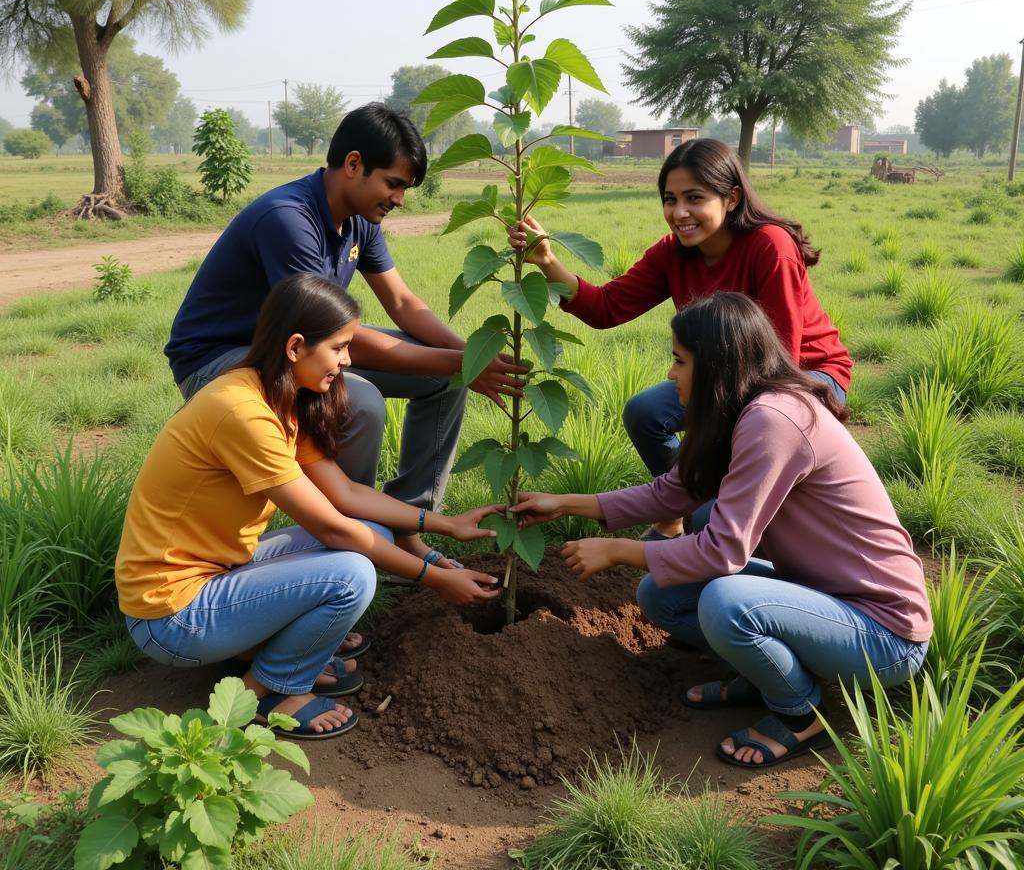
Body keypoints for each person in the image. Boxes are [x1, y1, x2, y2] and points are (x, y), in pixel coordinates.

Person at [510, 293, 931, 769]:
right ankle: (767, 676)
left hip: (882, 631)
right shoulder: (740, 411)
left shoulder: (774, 420)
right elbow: (671, 494)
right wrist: (563, 503)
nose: (671, 374)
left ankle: (801, 715)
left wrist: (617, 550)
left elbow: (723, 552)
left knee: (724, 601)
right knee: (659, 595)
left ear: (715, 365)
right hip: (822, 594)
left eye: (679, 360)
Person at [119, 274, 502, 741]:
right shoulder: (241, 412)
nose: (346, 361)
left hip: (215, 574)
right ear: (297, 346)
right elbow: (331, 528)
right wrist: (438, 578)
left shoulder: (273, 395)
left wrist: (445, 525)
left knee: (373, 533)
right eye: (340, 347)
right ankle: (268, 689)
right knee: (352, 573)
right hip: (171, 616)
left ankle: (260, 649)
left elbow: (347, 497)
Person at [166, 102, 525, 538]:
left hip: (298, 351)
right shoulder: (289, 220)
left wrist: (467, 357)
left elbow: (402, 302)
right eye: (394, 184)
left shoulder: (359, 221)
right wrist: (460, 363)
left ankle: (407, 524)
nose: (399, 200)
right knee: (362, 403)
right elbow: (332, 337)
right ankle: (353, 535)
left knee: (444, 378)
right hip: (222, 361)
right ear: (354, 164)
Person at [509, 137, 852, 540]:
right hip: (725, 374)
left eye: (694, 198)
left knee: (715, 516)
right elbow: (606, 308)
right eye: (670, 200)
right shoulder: (672, 253)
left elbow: (783, 361)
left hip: (804, 377)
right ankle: (675, 511)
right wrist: (549, 261)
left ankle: (726, 515)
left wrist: (723, 445)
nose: (680, 212)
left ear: (731, 198)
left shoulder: (769, 246)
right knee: (645, 412)